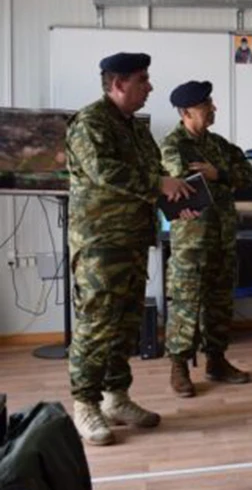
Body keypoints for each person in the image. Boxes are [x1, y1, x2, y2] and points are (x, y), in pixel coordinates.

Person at [66, 52, 194, 446]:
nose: (150, 87)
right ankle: (85, 403)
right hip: (100, 243)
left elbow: (152, 176)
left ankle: (116, 398)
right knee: (96, 324)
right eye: (142, 79)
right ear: (119, 84)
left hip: (134, 241)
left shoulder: (136, 128)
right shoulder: (90, 122)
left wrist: (177, 203)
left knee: (125, 324)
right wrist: (159, 184)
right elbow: (105, 171)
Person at [162, 80, 252, 397]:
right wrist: (216, 180)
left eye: (211, 102)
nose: (213, 108)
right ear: (186, 112)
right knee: (186, 306)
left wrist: (219, 174)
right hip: (192, 244)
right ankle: (179, 367)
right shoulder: (172, 146)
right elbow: (180, 184)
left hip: (223, 239)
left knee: (220, 304)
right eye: (206, 105)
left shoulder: (220, 146)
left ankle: (216, 361)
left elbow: (249, 176)